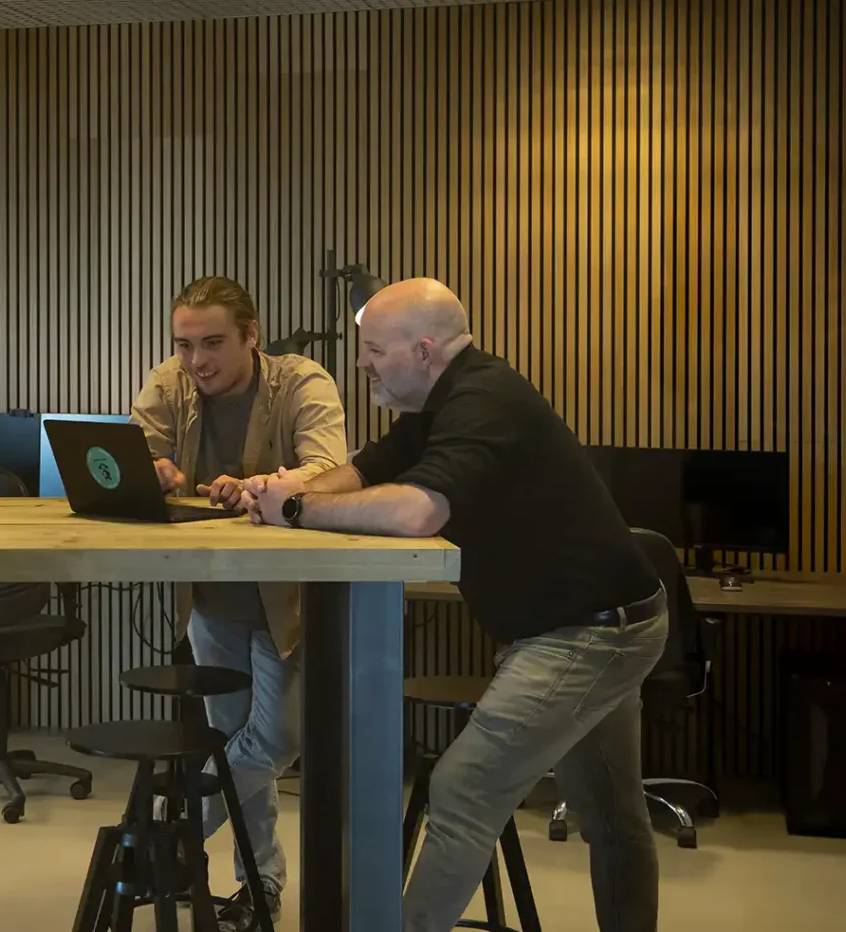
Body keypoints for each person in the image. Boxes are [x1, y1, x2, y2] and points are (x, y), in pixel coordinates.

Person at [243, 277, 668, 932]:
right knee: (611, 817)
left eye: (373, 350)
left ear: (421, 351)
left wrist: (296, 509)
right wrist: (278, 495)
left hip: (593, 632)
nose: (360, 363)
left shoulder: (483, 400)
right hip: (587, 620)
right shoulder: (441, 403)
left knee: (465, 788)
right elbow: (366, 468)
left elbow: (417, 510)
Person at [129, 275, 347, 930]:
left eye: (214, 343)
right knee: (231, 741)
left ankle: (178, 831)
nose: (197, 361)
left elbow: (331, 467)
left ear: (253, 336)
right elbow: (131, 445)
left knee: (272, 741)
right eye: (185, 344)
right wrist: (154, 469)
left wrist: (264, 485)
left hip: (290, 602)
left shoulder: (302, 381)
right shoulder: (171, 381)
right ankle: (262, 889)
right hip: (213, 597)